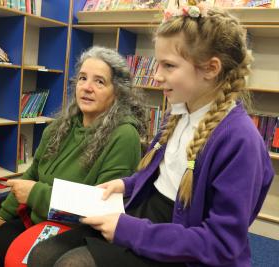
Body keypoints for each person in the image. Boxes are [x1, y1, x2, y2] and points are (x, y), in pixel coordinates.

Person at [26, 5, 274, 267]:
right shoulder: (179, 113)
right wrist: (126, 185)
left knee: (73, 264)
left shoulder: (240, 141)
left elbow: (221, 243)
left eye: (168, 65)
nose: (156, 76)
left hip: (180, 241)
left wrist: (131, 231)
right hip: (144, 214)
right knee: (42, 254)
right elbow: (165, 176)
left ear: (211, 69)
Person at [0, 46, 150, 267]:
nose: (87, 88)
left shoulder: (124, 136)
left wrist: (34, 195)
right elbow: (33, 172)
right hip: (40, 210)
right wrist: (6, 212)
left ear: (117, 92)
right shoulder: (62, 125)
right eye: (82, 78)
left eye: (99, 82)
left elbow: (101, 208)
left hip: (76, 225)